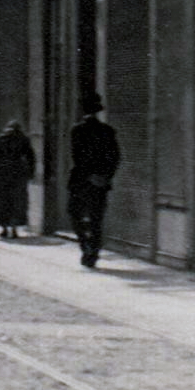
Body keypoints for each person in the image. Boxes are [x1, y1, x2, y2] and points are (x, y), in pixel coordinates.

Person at [69, 92, 121, 268]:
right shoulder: (107, 130)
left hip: (80, 181)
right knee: (96, 218)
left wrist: (89, 175)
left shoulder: (77, 130)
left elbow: (77, 157)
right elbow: (115, 157)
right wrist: (105, 176)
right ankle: (94, 252)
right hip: (100, 183)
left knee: (75, 214)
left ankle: (86, 247)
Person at [0, 118, 36, 240]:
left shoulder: (1, 139)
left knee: (3, 202)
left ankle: (4, 229)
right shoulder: (23, 139)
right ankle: (14, 229)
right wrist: (31, 173)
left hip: (3, 174)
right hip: (18, 173)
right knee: (17, 201)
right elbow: (31, 157)